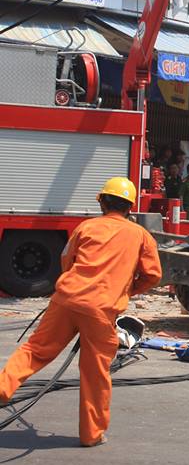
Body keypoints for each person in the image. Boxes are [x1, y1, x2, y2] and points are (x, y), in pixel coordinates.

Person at [0, 177, 162, 446]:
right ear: (130, 207)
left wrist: (78, 291)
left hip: (66, 299)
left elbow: (67, 260)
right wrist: (124, 289)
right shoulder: (140, 236)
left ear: (102, 203)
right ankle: (92, 434)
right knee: (94, 372)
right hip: (101, 310)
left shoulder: (86, 227)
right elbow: (153, 275)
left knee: (35, 351)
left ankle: (3, 387)